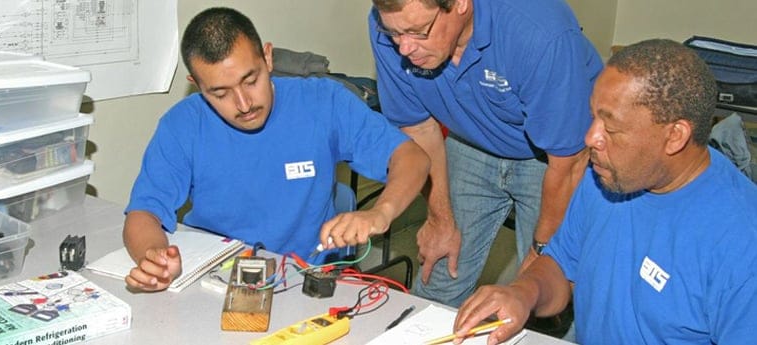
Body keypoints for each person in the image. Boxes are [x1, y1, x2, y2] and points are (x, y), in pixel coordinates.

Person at [453, 39, 757, 344]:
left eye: (610, 129)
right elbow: (562, 267)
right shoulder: (608, 174)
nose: (590, 138)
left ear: (675, 136)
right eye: (593, 117)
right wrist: (523, 293)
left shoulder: (741, 242)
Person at [122, 7, 430, 292]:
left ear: (267, 58)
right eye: (220, 93)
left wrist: (380, 212)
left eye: (250, 80)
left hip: (306, 281)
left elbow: (411, 157)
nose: (244, 104)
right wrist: (155, 258)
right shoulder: (182, 125)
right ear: (197, 85)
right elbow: (143, 212)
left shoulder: (323, 102)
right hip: (217, 283)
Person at [368, 0, 602, 307]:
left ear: (460, 4)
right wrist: (439, 218)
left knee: (550, 292)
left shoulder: (539, 31)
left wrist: (542, 253)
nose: (404, 48)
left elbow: (569, 162)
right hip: (470, 141)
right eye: (396, 34)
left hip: (553, 157)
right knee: (438, 275)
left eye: (418, 32)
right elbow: (418, 128)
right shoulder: (389, 24)